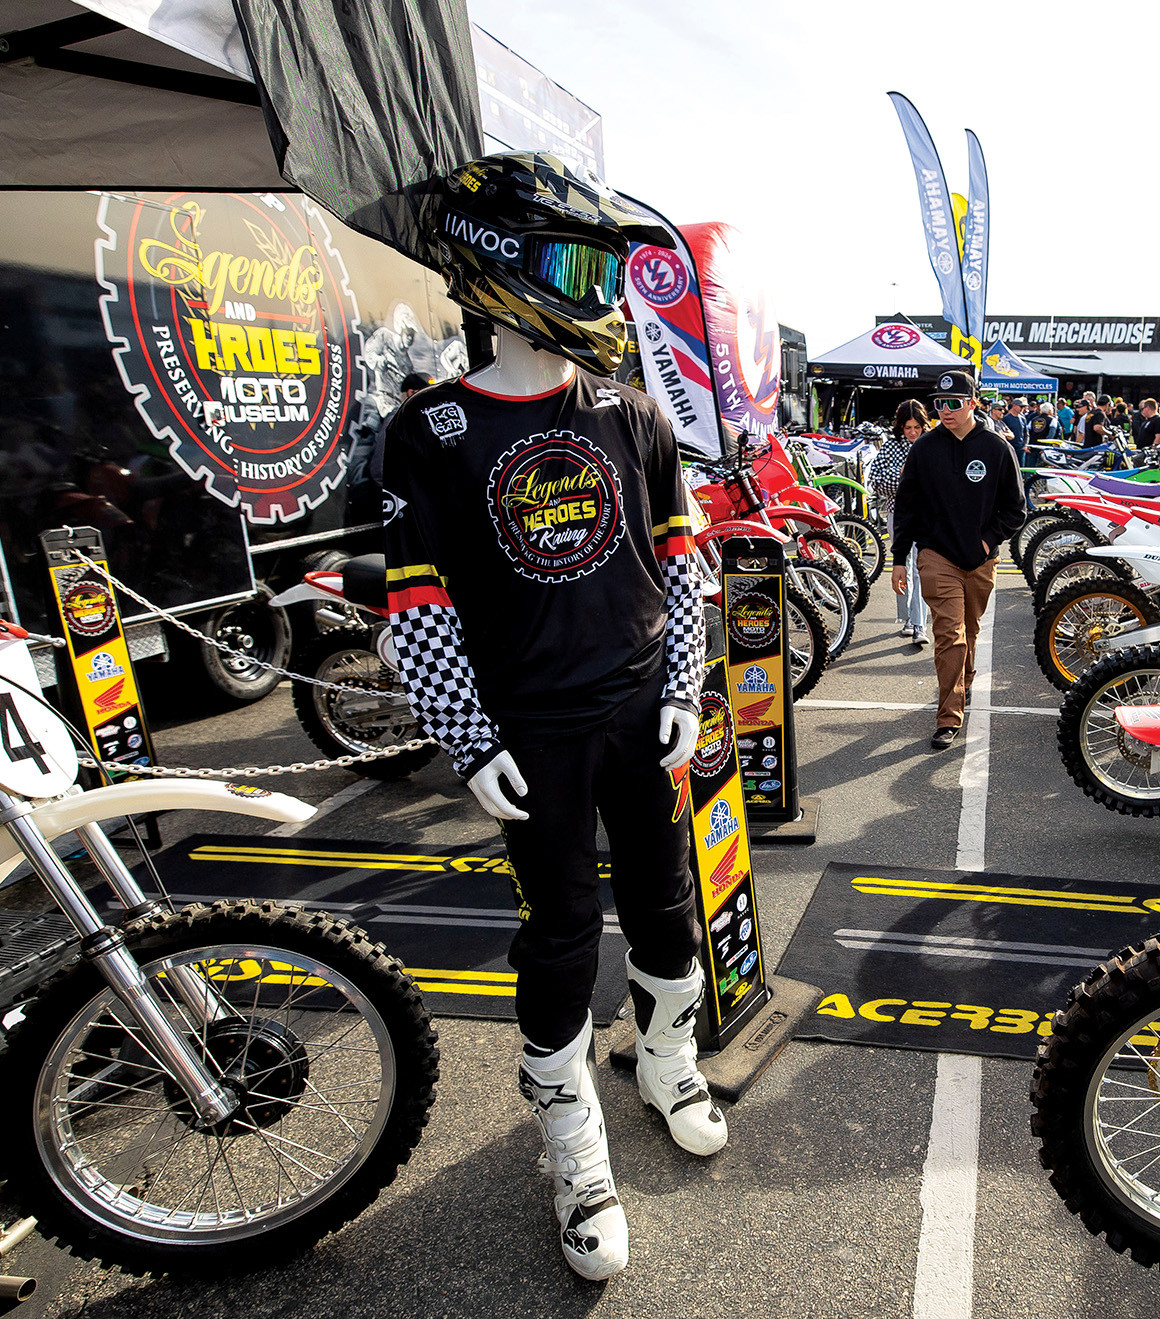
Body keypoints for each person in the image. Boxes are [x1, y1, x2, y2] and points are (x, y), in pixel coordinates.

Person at [383, 151, 723, 1282]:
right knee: (562, 935)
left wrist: (680, 685)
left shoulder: (631, 413)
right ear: (498, 265)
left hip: (639, 712)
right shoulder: (426, 432)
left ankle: (666, 1060)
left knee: (668, 900)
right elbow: (419, 608)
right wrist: (468, 737)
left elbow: (681, 570)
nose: (596, 288)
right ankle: (573, 1148)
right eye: (575, 260)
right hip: (531, 734)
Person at [889, 369, 1026, 751]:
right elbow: (907, 508)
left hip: (980, 561)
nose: (945, 410)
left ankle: (961, 681)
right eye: (939, 404)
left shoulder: (998, 448)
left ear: (973, 403)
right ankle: (948, 717)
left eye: (954, 403)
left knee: (969, 631)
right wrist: (899, 558)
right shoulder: (924, 448)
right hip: (936, 556)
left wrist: (987, 542)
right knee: (949, 635)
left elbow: (1016, 510)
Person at [868, 399, 931, 646]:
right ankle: (906, 618)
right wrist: (905, 478)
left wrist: (905, 481)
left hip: (927, 515)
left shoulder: (931, 444)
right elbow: (876, 481)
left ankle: (919, 623)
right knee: (901, 565)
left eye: (917, 426)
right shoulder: (891, 447)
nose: (913, 432)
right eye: (907, 427)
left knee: (920, 566)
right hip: (898, 513)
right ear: (900, 427)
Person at [1001, 396, 1028, 462]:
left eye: (1023, 407)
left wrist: (1025, 445)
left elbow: (1026, 434)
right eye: (1020, 406)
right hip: (1010, 448)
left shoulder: (1023, 419)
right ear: (1014, 406)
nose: (1022, 408)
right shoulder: (1006, 419)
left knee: (1021, 469)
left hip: (1020, 448)